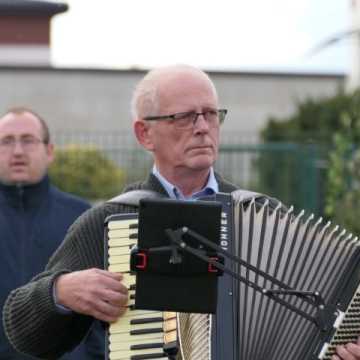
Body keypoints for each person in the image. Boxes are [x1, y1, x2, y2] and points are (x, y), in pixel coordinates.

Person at [3, 67, 360, 360]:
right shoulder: (110, 221)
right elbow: (24, 331)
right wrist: (60, 291)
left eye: (210, 114)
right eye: (184, 117)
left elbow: (318, 326)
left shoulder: (264, 217)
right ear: (144, 134)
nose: (203, 127)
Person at [0, 107, 103, 359]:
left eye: (28, 140)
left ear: (49, 152)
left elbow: (100, 302)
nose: (18, 152)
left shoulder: (82, 215)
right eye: (6, 142)